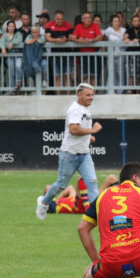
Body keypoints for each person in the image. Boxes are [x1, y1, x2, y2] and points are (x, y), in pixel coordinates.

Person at [36, 83, 101, 220]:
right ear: (79, 95)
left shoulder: (85, 110)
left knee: (92, 183)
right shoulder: (75, 109)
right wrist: (92, 131)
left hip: (84, 154)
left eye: (92, 95)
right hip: (70, 155)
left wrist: (89, 137)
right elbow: (73, 129)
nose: (91, 98)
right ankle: (43, 203)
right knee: (61, 185)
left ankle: (98, 215)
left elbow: (78, 131)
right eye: (88, 95)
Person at [0, 20, 24, 91]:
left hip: (18, 55)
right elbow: (1, 41)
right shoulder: (5, 35)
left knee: (18, 66)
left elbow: (19, 40)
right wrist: (3, 48)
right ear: (7, 27)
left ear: (15, 27)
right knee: (11, 72)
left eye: (13, 26)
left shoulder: (18, 33)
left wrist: (12, 43)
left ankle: (19, 81)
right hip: (10, 55)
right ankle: (12, 89)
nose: (11, 27)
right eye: (10, 26)